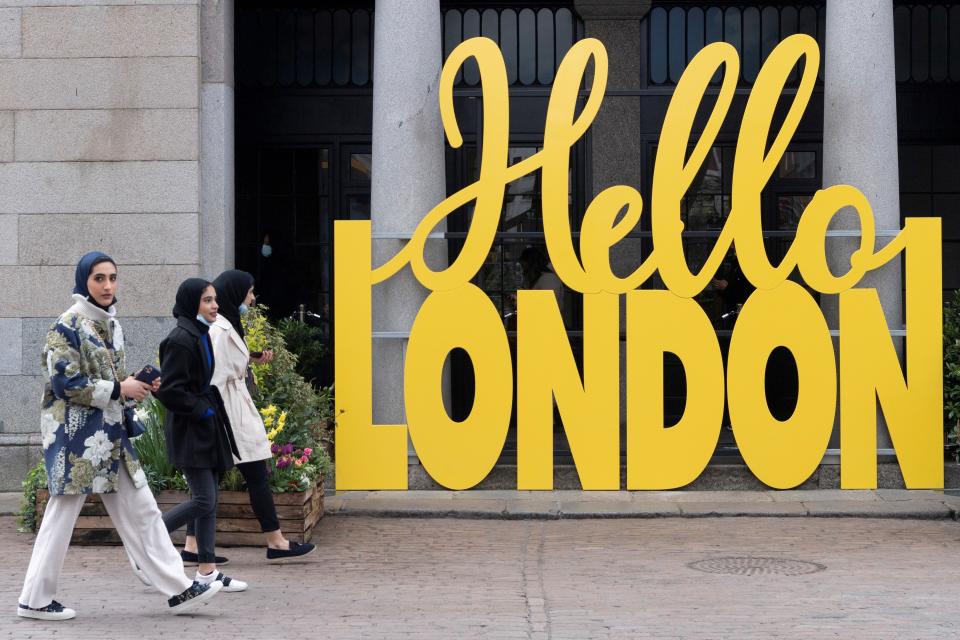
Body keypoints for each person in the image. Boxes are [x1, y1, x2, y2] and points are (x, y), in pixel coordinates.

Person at [18, 252, 223, 620]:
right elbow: (66, 383)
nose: (108, 285)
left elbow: (116, 378)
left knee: (143, 508)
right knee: (60, 518)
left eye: (113, 277)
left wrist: (139, 385)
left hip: (110, 434)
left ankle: (179, 588)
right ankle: (34, 600)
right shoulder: (66, 325)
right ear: (84, 281)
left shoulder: (110, 324)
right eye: (99, 278)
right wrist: (120, 388)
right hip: (74, 439)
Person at [178, 269, 316, 563]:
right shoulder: (219, 329)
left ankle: (194, 547)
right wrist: (211, 414)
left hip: (232, 408)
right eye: (249, 292)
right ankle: (274, 541)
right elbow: (210, 371)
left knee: (219, 479)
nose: (251, 299)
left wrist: (249, 357)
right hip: (227, 411)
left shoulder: (228, 324)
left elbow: (226, 362)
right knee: (247, 475)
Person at [155, 278, 247, 592]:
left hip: (204, 428)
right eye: (208, 300)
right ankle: (149, 538)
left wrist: (209, 413)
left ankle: (206, 571)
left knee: (210, 499)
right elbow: (170, 391)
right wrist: (202, 411)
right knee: (204, 499)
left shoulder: (198, 334)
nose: (215, 306)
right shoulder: (181, 339)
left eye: (215, 300)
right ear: (193, 302)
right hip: (190, 431)